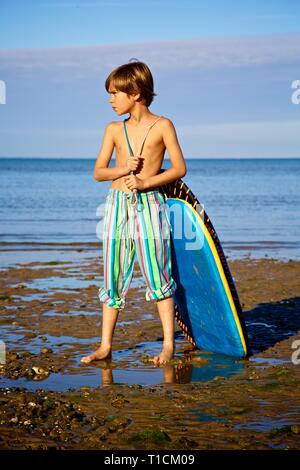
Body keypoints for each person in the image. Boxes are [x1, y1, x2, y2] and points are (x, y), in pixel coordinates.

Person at [81, 60, 186, 367]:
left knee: (157, 271)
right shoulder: (114, 129)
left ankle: (168, 345)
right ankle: (105, 346)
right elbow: (98, 173)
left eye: (115, 93)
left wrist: (144, 181)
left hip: (149, 204)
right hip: (116, 205)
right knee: (111, 273)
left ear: (136, 93)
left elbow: (179, 168)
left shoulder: (163, 126)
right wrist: (122, 169)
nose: (110, 100)